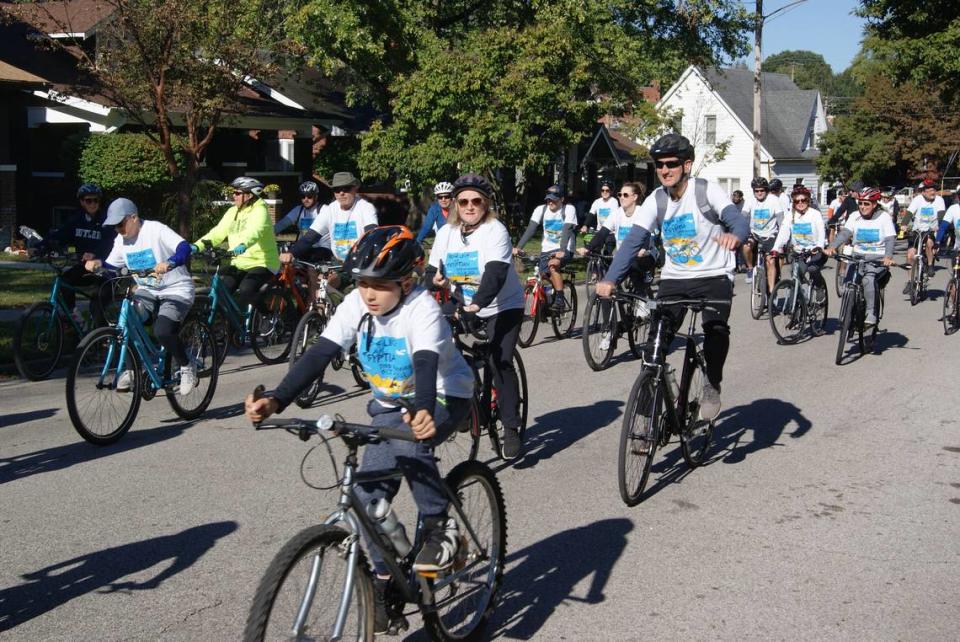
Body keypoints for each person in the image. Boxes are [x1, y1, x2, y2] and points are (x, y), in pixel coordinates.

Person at [243, 226, 474, 634]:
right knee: (367, 497)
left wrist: (422, 410)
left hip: (441, 395)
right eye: (362, 283)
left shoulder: (423, 310)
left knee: (412, 444)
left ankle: (442, 528)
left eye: (379, 285)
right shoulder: (357, 305)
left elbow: (423, 363)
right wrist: (278, 398)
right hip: (389, 404)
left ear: (406, 282)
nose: (368, 293)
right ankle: (386, 579)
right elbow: (321, 352)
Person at [596, 133, 748, 420]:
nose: (664, 170)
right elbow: (633, 241)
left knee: (715, 329)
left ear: (686, 165)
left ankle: (712, 384)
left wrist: (736, 236)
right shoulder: (656, 200)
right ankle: (644, 422)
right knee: (654, 347)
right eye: (659, 165)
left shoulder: (707, 191)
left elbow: (737, 220)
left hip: (713, 276)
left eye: (671, 164)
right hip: (675, 279)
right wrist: (611, 278)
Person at [425, 173, 526, 458]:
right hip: (462, 302)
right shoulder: (446, 233)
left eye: (476, 201)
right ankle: (464, 403)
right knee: (443, 349)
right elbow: (430, 273)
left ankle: (511, 426)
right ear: (455, 204)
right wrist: (422, 296)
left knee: (500, 360)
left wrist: (477, 305)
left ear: (486, 204)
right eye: (463, 201)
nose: (469, 207)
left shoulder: (496, 231)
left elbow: (495, 274)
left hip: (502, 305)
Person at [84, 198, 197, 394]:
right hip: (148, 290)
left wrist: (170, 263)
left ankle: (187, 366)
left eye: (120, 224)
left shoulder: (155, 230)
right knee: (125, 321)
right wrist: (98, 264)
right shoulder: (121, 240)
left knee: (163, 330)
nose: (118, 230)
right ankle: (133, 369)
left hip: (176, 288)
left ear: (134, 217)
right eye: (114, 226)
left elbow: (184, 247)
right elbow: (112, 267)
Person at [33, 182, 117, 326]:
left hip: (106, 269)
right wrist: (40, 247)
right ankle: (74, 317)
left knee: (97, 303)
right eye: (88, 200)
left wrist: (95, 254)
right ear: (82, 202)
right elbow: (60, 235)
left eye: (96, 200)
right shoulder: (76, 220)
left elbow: (111, 243)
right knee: (64, 282)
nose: (92, 204)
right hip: (85, 267)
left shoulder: (107, 222)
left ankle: (101, 338)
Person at [192, 176, 280, 311]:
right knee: (222, 290)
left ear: (249, 195)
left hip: (263, 263)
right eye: (234, 192)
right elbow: (218, 233)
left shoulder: (260, 210)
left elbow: (256, 231)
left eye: (238, 193)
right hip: (239, 263)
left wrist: (243, 245)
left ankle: (266, 316)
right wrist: (197, 246)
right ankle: (231, 327)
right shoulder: (233, 211)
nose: (234, 196)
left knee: (246, 290)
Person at [824, 187, 895, 328]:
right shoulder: (854, 216)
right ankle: (848, 313)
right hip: (857, 257)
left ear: (874, 204)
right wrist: (832, 246)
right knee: (847, 284)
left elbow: (890, 238)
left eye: (866, 204)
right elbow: (845, 233)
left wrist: (888, 256)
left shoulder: (884, 217)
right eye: (861, 203)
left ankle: (871, 314)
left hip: (876, 259)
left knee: (868, 279)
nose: (862, 207)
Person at [577, 181, 656, 293]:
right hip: (623, 258)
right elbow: (602, 233)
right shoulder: (616, 214)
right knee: (604, 288)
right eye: (620, 195)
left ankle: (641, 304)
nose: (621, 198)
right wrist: (588, 248)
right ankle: (615, 308)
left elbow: (648, 235)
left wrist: (643, 249)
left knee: (640, 290)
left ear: (635, 197)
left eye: (625, 195)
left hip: (643, 256)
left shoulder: (642, 212)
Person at [513, 188, 578, 311]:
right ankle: (548, 300)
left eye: (554, 200)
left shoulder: (569, 209)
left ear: (562, 200)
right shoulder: (540, 210)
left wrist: (562, 250)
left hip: (565, 248)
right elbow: (531, 229)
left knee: (553, 266)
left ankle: (560, 299)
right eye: (548, 199)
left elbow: (567, 229)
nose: (550, 202)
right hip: (547, 248)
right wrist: (518, 247)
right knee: (542, 276)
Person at [771, 185, 827, 294]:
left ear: (808, 200)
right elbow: (783, 233)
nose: (800, 203)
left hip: (815, 251)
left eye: (803, 200)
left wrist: (819, 246)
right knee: (796, 274)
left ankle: (819, 287)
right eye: (796, 201)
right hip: (799, 252)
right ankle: (800, 301)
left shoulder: (815, 214)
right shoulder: (790, 215)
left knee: (812, 269)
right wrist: (776, 248)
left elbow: (821, 232)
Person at [741, 176, 784, 292]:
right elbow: (744, 216)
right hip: (755, 234)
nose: (759, 193)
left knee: (770, 260)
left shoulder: (773, 200)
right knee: (745, 247)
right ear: (753, 191)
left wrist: (782, 237)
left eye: (762, 190)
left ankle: (771, 291)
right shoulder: (750, 200)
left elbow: (780, 218)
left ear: (766, 190)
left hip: (770, 234)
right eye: (756, 191)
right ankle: (750, 268)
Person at [274, 180, 332, 263]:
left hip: (322, 248)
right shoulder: (298, 210)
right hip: (303, 247)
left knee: (311, 265)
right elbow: (281, 225)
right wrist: (267, 234)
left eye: (309, 196)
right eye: (303, 196)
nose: (306, 199)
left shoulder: (325, 209)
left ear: (316, 196)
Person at [903, 179, 944, 292]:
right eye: (930, 190)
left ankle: (930, 265)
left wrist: (940, 226)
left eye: (934, 190)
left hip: (932, 229)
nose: (933, 192)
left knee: (930, 243)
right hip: (918, 229)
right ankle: (910, 282)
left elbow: (941, 215)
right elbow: (910, 212)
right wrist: (904, 224)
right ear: (923, 192)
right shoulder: (918, 199)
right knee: (910, 255)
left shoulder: (939, 200)